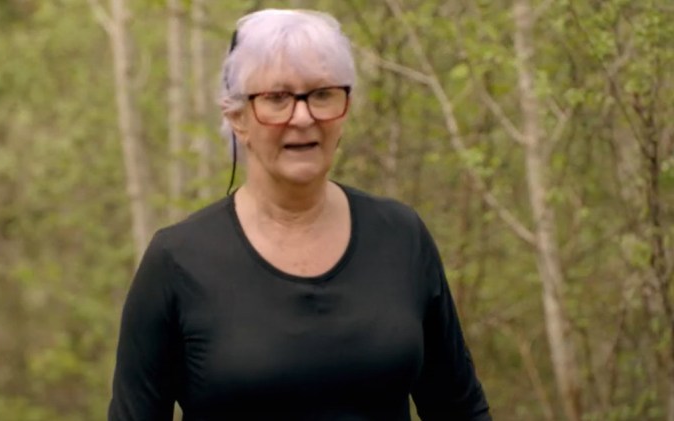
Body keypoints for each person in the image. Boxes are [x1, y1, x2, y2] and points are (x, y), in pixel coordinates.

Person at [108, 9, 492, 421]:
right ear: (237, 117)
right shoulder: (177, 260)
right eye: (277, 98)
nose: (304, 117)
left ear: (345, 109)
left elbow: (460, 409)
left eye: (322, 94)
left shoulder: (401, 237)